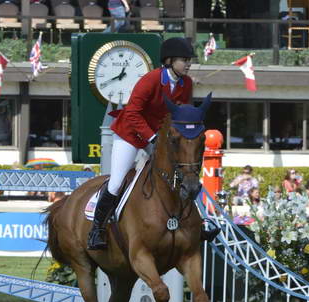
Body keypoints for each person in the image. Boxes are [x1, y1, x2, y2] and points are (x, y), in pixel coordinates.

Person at [88, 37, 220, 250]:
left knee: (181, 176)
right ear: (169, 60)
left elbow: (181, 114)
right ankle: (98, 229)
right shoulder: (150, 79)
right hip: (130, 134)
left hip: (158, 136)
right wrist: (151, 138)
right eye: (184, 60)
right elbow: (132, 112)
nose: (188, 64)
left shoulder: (185, 83)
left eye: (189, 60)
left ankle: (198, 223)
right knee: (117, 181)